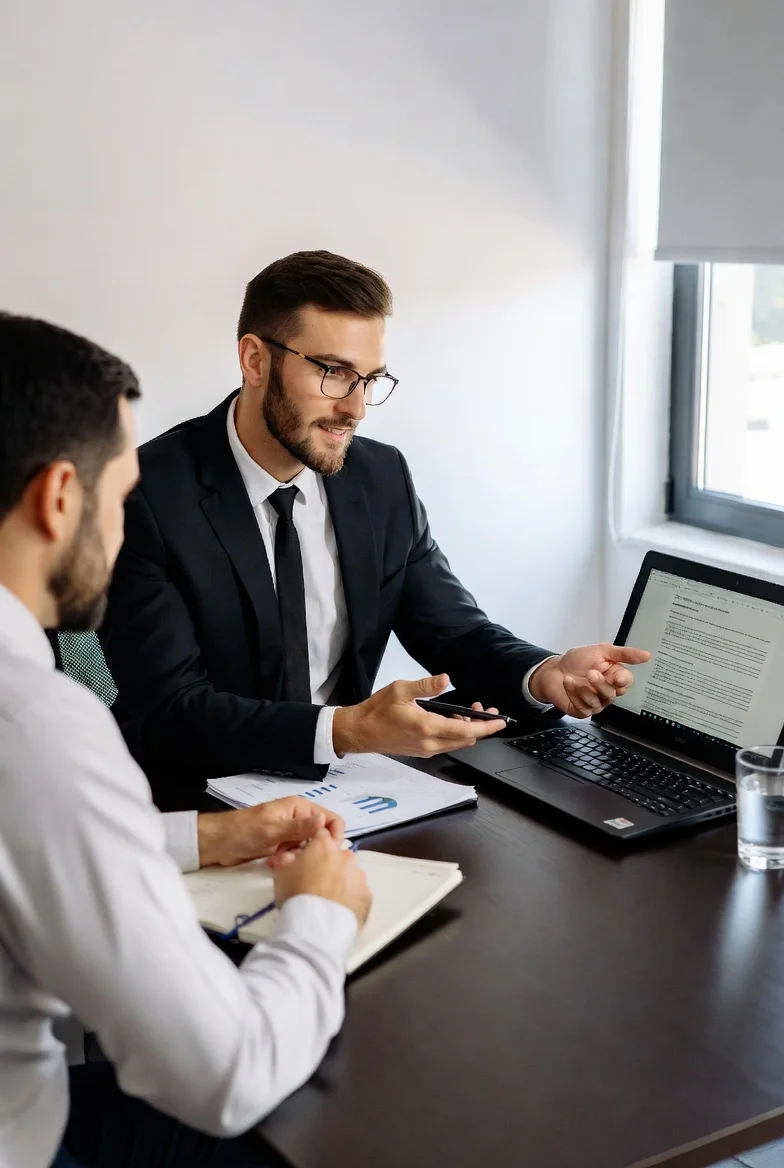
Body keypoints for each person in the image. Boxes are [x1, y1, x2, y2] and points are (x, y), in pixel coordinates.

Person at [0, 312, 371, 1168]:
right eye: (120, 499)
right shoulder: (37, 725)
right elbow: (228, 1073)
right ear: (59, 499)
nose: (124, 529)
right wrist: (320, 912)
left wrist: (202, 837)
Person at [100, 250, 650, 800]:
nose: (356, 408)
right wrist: (348, 730)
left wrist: (543, 674)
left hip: (348, 792)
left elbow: (456, 633)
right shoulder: (146, 495)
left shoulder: (381, 478)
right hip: (197, 799)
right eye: (334, 373)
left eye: (370, 379)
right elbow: (168, 710)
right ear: (255, 360)